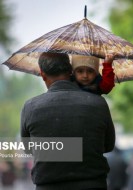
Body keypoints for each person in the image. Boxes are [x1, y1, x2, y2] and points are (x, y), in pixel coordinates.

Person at [20, 52, 115, 190]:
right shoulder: (98, 103)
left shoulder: (30, 107)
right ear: (71, 71)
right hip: (93, 184)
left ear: (42, 74)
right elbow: (108, 145)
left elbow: (29, 149)